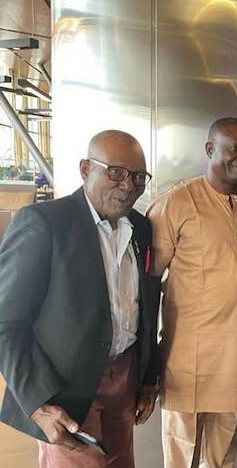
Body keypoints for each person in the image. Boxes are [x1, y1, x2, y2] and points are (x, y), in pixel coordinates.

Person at [0, 130, 160, 467]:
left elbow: (145, 306)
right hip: (65, 389)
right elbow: (7, 323)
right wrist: (35, 402)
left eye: (138, 177)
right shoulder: (44, 225)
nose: (128, 185)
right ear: (86, 168)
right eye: (115, 172)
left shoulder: (141, 229)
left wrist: (148, 378)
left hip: (124, 380)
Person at [147, 117, 237, 468]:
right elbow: (149, 280)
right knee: (182, 447)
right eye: (234, 148)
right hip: (189, 354)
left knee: (224, 447)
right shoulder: (177, 202)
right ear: (210, 149)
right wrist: (145, 357)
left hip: (236, 351)